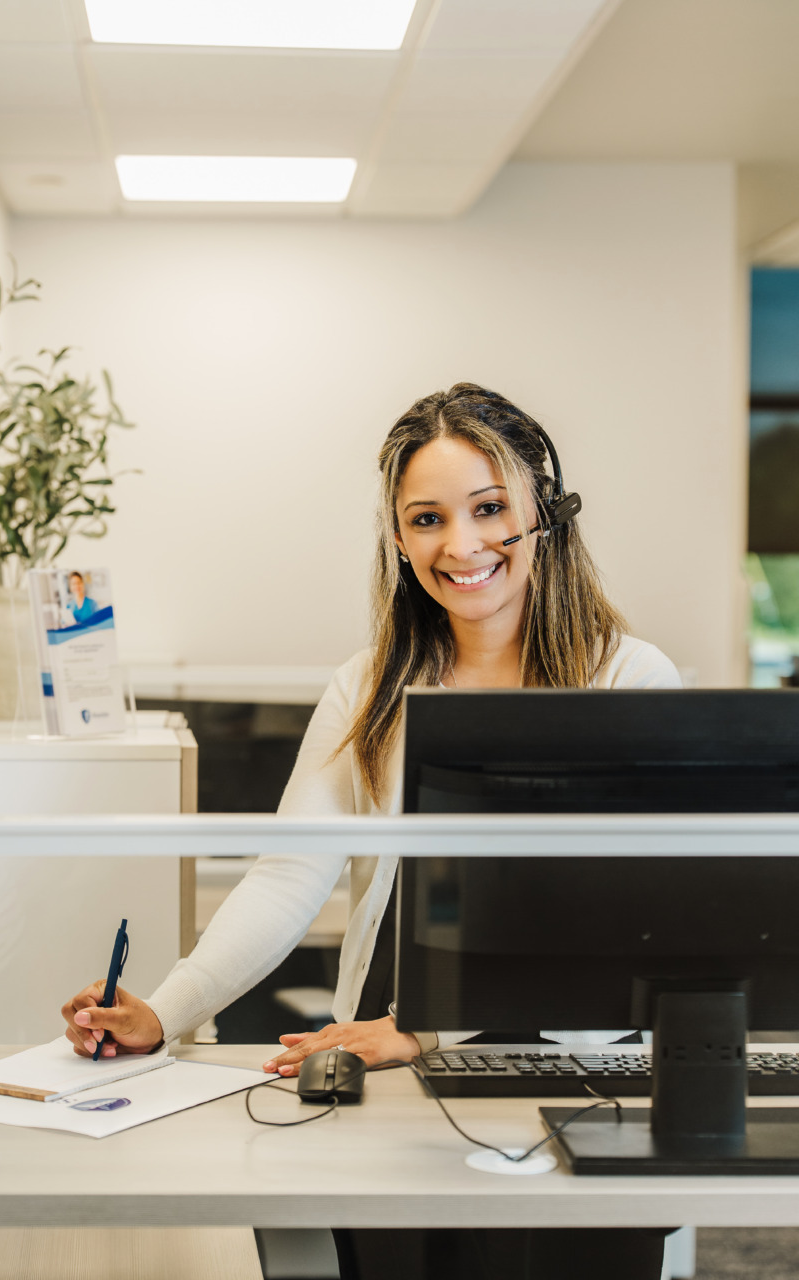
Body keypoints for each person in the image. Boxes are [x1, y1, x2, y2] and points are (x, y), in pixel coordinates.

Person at [61, 383, 681, 1279]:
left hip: (574, 1075)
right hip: (388, 1058)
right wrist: (165, 1011)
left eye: (490, 509)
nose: (459, 545)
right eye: (427, 517)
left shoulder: (629, 679)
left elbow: (624, 924)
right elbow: (288, 877)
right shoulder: (373, 685)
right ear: (397, 537)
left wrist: (427, 1031)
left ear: (544, 513)